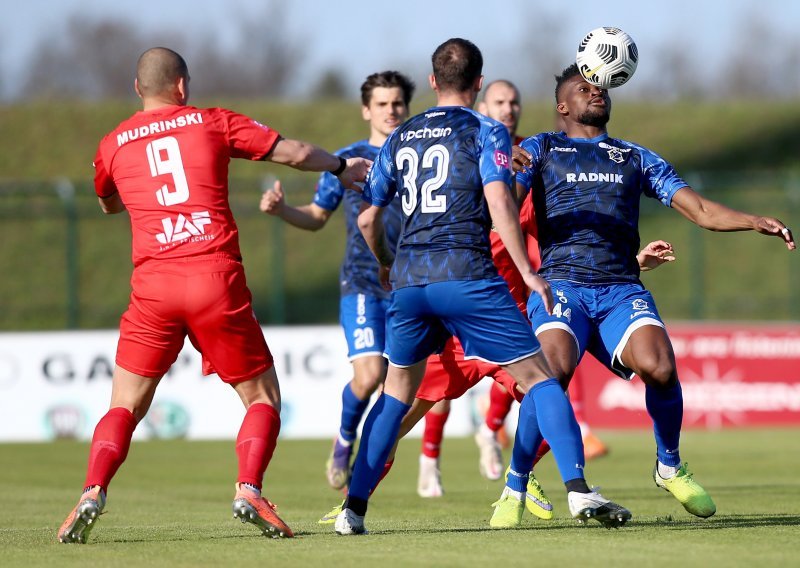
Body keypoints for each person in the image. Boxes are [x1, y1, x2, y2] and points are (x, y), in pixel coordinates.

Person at [57, 47, 370, 544]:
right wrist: (340, 166)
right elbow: (290, 152)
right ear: (182, 86)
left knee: (125, 405)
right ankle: (248, 489)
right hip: (212, 278)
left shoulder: (113, 142)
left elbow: (107, 202)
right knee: (262, 397)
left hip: (153, 287)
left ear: (138, 89)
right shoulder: (212, 121)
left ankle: (91, 491)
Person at [333, 38, 630, 536]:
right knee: (539, 378)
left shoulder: (400, 135)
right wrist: (528, 271)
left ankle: (353, 510)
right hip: (467, 275)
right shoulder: (485, 130)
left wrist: (387, 263)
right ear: (477, 83)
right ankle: (578, 490)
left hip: (409, 283)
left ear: (432, 82)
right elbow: (499, 205)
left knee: (395, 396)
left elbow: (368, 218)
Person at [511, 63, 795, 520]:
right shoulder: (541, 148)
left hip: (621, 287)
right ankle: (515, 484)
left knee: (661, 367)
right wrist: (508, 168)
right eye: (583, 88)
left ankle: (668, 465)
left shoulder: (635, 157)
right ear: (562, 106)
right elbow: (501, 203)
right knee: (552, 375)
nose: (596, 90)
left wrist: (753, 220)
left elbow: (699, 208)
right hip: (561, 283)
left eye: (600, 84)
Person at [259, 71, 415, 491]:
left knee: (400, 386)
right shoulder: (347, 159)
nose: (391, 110)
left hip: (411, 286)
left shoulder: (420, 153)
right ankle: (345, 438)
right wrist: (281, 211)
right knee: (368, 377)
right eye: (382, 104)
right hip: (363, 284)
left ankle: (376, 462)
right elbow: (315, 217)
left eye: (397, 102)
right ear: (367, 109)